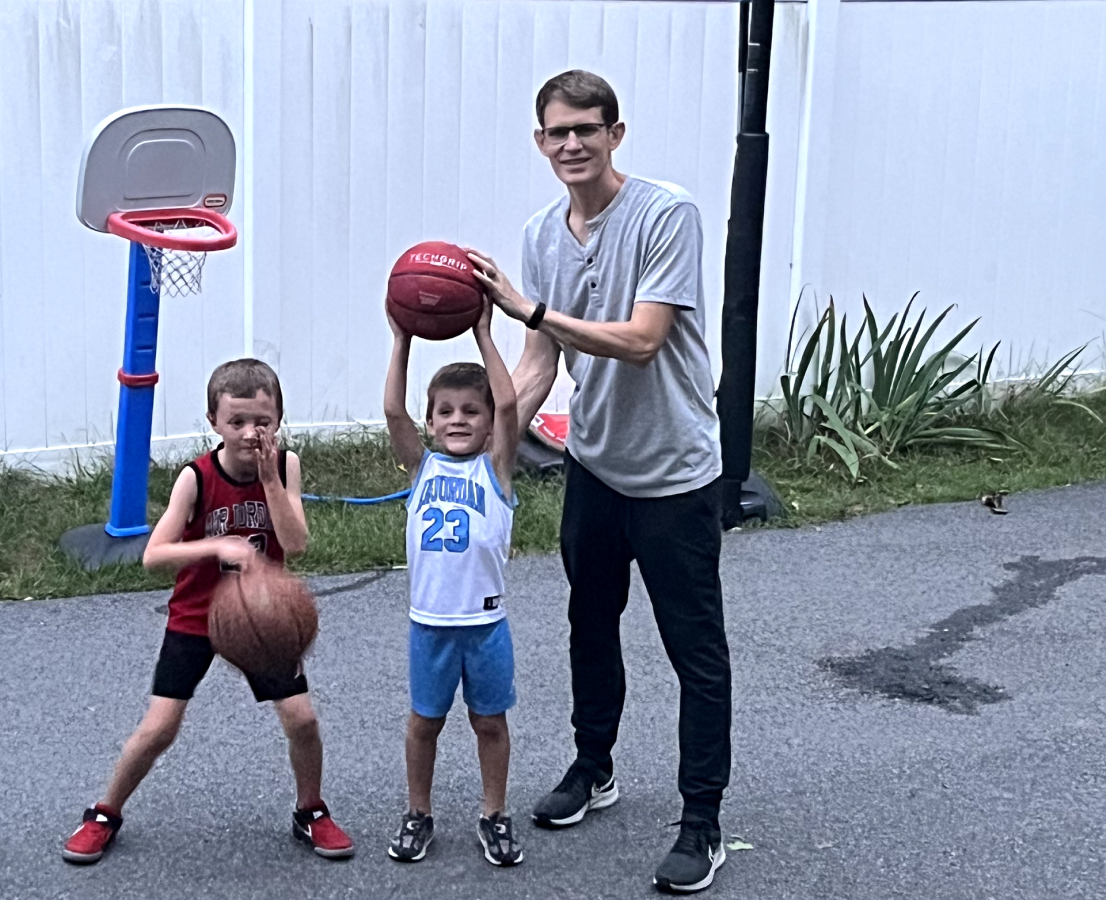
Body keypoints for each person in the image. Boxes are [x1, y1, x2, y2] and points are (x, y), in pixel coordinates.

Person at [467, 69, 733, 893]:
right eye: (558, 132)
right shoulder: (544, 234)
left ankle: (701, 821)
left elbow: (644, 338)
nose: (573, 144)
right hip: (596, 467)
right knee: (590, 624)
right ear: (540, 142)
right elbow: (540, 365)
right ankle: (594, 767)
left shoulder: (665, 213)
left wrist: (531, 312)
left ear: (616, 133)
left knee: (695, 653)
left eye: (588, 128)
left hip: (677, 474)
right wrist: (485, 452)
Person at [61, 359, 355, 865]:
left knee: (302, 720)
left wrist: (268, 482)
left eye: (261, 421)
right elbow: (155, 556)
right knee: (159, 727)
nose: (249, 433)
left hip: (261, 616)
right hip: (197, 615)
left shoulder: (286, 466)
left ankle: (311, 811)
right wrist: (220, 546)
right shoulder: (195, 477)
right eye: (236, 422)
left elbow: (296, 543)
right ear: (213, 421)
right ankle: (104, 813)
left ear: (279, 419)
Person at [382, 301, 523, 867]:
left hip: (485, 626)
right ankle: (419, 812)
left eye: (470, 410)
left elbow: (509, 402)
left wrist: (484, 331)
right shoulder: (422, 470)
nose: (458, 419)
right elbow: (393, 413)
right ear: (432, 420)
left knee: (490, 723)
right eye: (445, 411)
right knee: (424, 724)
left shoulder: (497, 469)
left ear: (487, 423)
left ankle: (494, 813)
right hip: (431, 626)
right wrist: (403, 339)